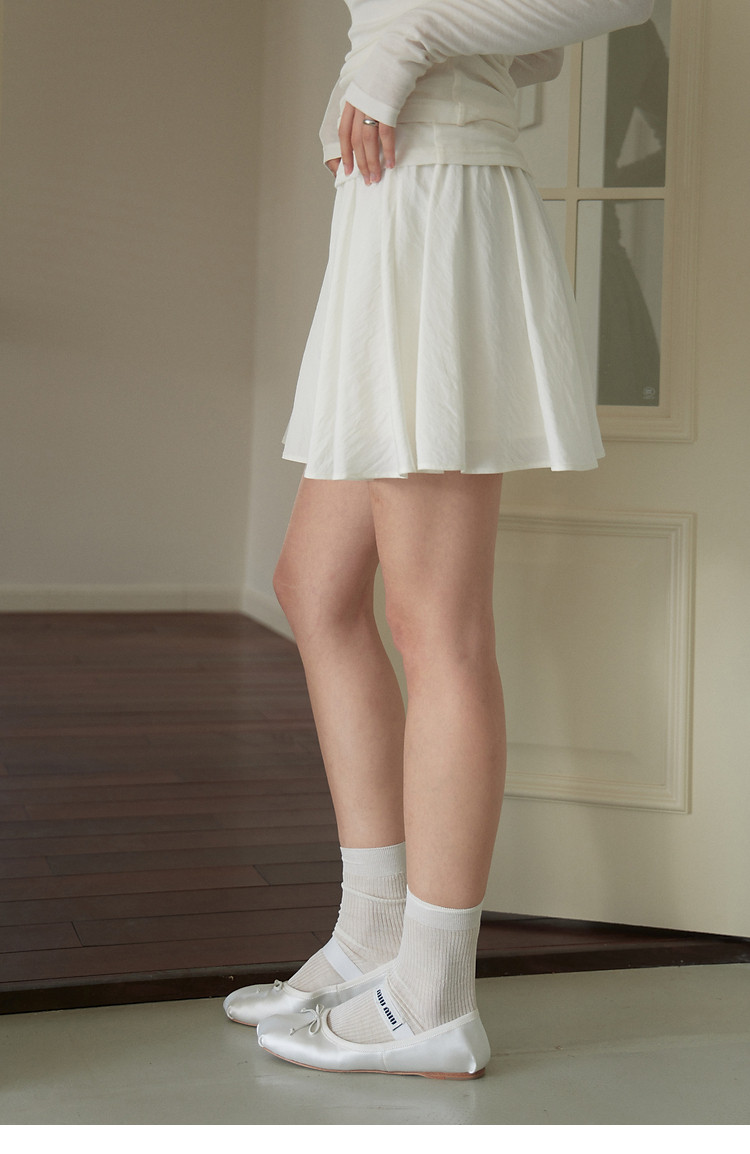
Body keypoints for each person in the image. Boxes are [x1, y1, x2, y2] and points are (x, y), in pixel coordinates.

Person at [224, 0, 655, 1079]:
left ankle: (434, 993)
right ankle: (374, 930)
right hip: (391, 205)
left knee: (437, 625)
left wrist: (406, 44)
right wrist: (402, 54)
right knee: (315, 586)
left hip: (440, 208)